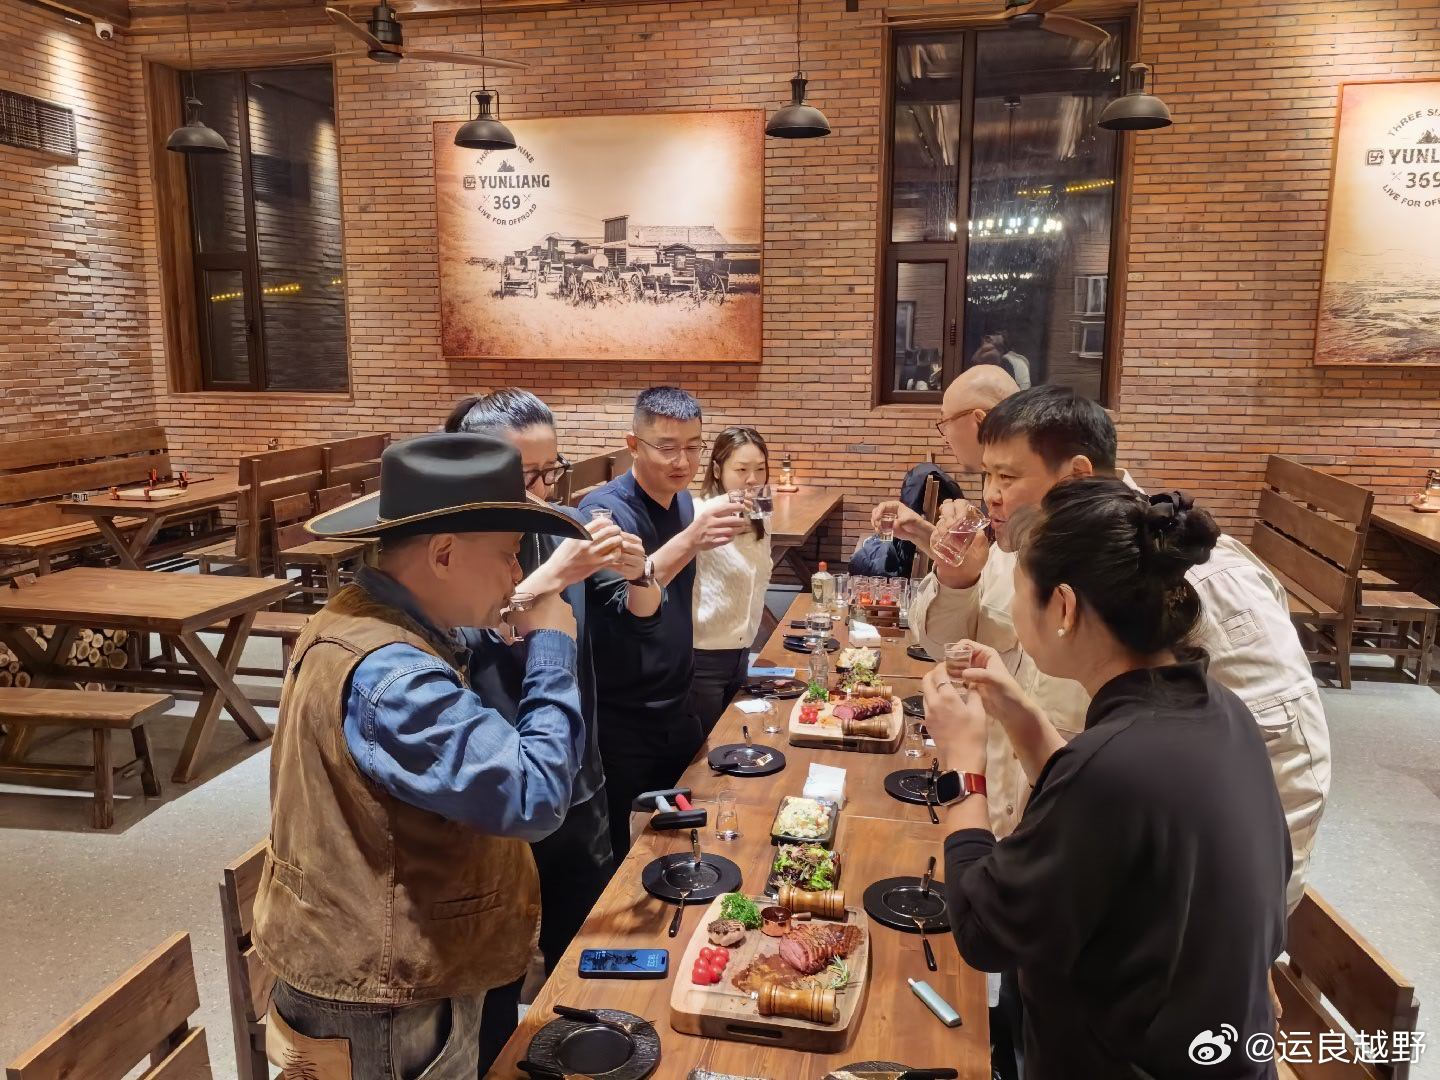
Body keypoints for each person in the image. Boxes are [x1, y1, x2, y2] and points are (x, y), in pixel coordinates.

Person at [901, 386, 1329, 911]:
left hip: (1136, 910)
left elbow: (1285, 764)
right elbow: (944, 647)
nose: (989, 494)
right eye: (985, 475)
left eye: (1006, 477)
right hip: (1039, 861)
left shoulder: (1186, 573)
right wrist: (958, 580)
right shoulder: (1022, 546)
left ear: (1076, 474)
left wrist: (1237, 920)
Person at [926, 477, 1290, 1078]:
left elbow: (981, 930)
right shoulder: (1219, 711)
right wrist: (1021, 716)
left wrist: (963, 767)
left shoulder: (1114, 766)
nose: (1013, 611)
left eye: (1019, 591)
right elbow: (1105, 825)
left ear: (1064, 608)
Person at [251, 432, 589, 1079]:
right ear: (443, 554)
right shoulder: (395, 677)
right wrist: (552, 648)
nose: (517, 575)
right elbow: (535, 796)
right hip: (380, 997)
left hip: (375, 970)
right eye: (509, 555)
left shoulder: (367, 617)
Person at [444, 390, 651, 1073]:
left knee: (584, 956)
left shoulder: (564, 525)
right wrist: (551, 578)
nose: (541, 489)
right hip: (496, 798)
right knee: (496, 978)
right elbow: (464, 641)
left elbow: (626, 614)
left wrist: (637, 568)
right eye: (524, 474)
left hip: (575, 777)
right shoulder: (450, 549)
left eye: (550, 469)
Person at [579, 386, 749, 856]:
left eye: (694, 446)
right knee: (622, 852)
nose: (683, 461)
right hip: (623, 713)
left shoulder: (683, 502)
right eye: (667, 447)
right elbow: (629, 606)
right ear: (633, 445)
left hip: (679, 697)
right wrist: (691, 539)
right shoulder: (603, 512)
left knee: (685, 837)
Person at [870, 364, 1019, 558]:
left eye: (945, 422)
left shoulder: (1024, 499)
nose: (944, 439)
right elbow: (983, 565)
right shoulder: (998, 480)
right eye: (990, 475)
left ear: (981, 422)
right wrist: (918, 530)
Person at [690, 426, 774, 736]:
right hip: (703, 657)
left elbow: (760, 575)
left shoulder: (762, 510)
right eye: (741, 470)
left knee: (736, 741)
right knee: (707, 748)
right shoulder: (698, 514)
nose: (753, 479)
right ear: (717, 470)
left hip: (742, 651)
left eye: (760, 469)